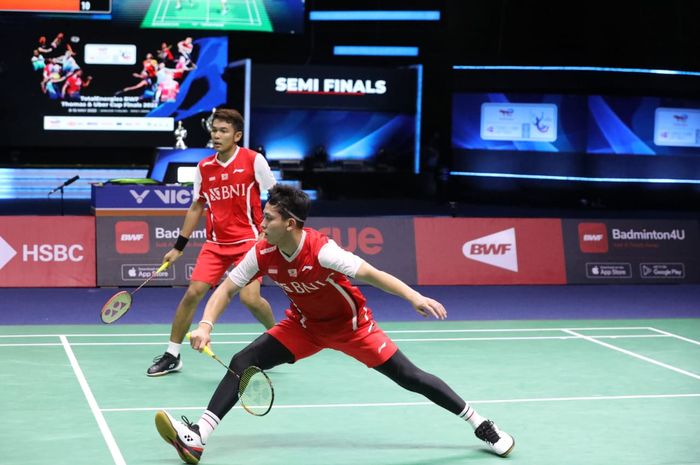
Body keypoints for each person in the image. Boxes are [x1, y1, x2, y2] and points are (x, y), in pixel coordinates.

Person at [154, 184, 515, 463]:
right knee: (242, 361)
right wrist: (205, 325)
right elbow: (227, 289)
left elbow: (372, 274)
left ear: (290, 224)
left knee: (410, 377)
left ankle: (481, 424)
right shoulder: (261, 251)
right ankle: (198, 436)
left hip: (352, 328)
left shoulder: (323, 250)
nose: (261, 223)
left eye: (268, 218)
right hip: (304, 327)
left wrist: (414, 297)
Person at [147, 108, 277, 377]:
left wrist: (268, 232)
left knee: (250, 299)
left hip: (249, 242)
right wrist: (178, 247)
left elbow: (275, 197)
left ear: (237, 135)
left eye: (223, 131)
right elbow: (196, 207)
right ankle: (172, 354)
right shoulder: (204, 167)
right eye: (214, 131)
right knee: (193, 292)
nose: (217, 136)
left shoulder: (254, 160)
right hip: (216, 244)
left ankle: (278, 337)